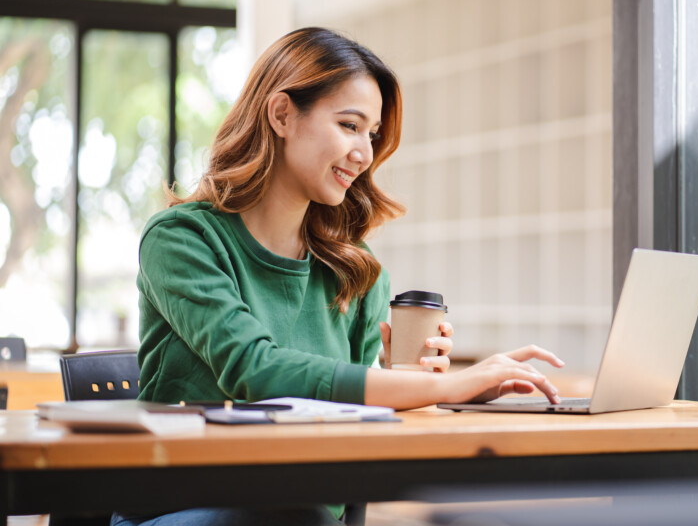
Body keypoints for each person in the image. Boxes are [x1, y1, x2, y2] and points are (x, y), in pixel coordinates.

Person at [113, 28, 563, 526]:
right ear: (282, 114)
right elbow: (256, 373)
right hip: (183, 509)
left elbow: (351, 444)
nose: (365, 154)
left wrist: (407, 384)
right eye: (350, 125)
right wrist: (446, 388)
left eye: (371, 135)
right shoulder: (181, 240)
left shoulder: (356, 271)